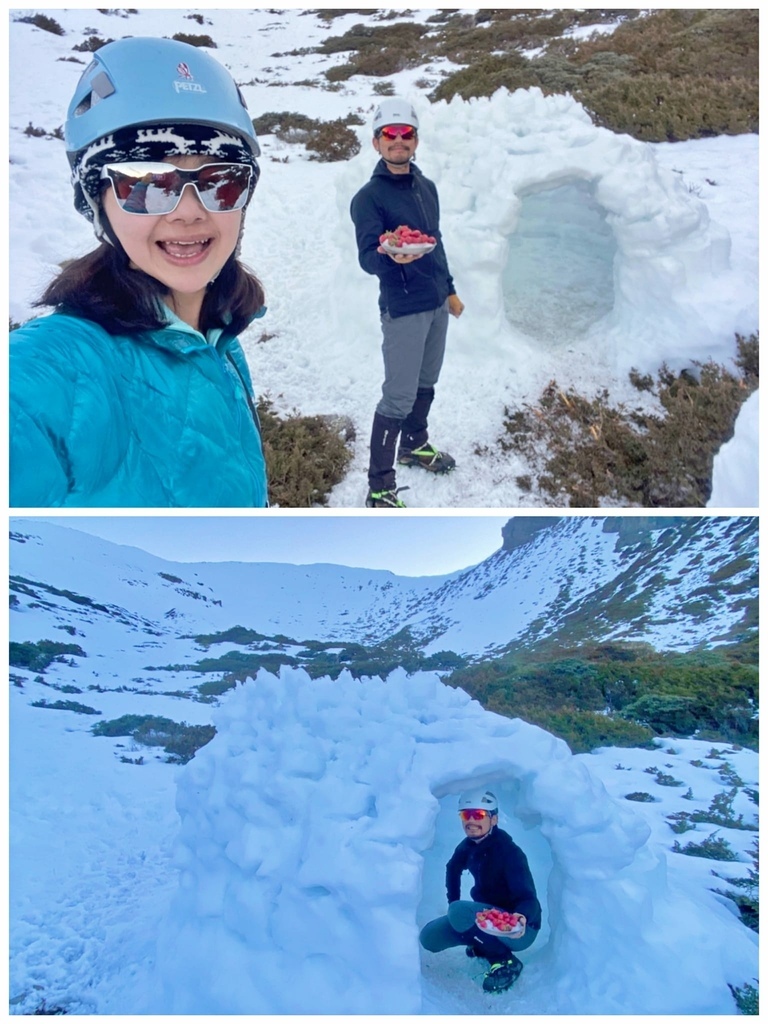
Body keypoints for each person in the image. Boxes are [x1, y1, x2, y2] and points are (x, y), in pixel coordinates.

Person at [10, 37, 268, 507]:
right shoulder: (44, 372)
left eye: (221, 181)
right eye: (146, 184)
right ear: (97, 203)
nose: (189, 213)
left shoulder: (220, 336)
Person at [350, 97, 465, 509]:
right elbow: (366, 257)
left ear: (416, 140)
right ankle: (380, 486)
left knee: (426, 382)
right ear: (376, 143)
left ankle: (414, 445)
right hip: (402, 307)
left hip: (435, 303)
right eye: (390, 135)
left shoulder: (427, 188)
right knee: (397, 397)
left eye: (406, 134)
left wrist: (448, 289)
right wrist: (388, 253)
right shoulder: (368, 198)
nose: (399, 141)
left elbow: (435, 242)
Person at [419, 789, 541, 994]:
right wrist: (453, 902)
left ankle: (505, 961)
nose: (471, 821)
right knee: (429, 938)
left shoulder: (510, 853)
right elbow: (452, 868)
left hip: (519, 928)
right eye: (466, 815)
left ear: (494, 819)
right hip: (487, 921)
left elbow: (528, 898)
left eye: (479, 815)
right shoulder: (468, 846)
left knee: (459, 912)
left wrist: (521, 919)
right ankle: (483, 943)